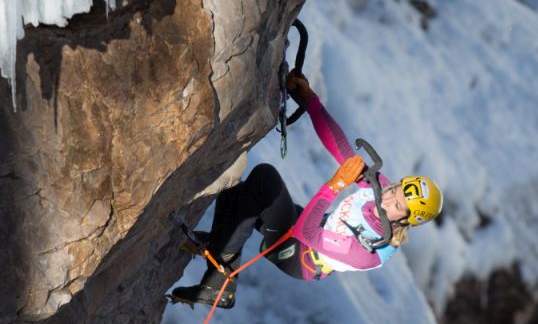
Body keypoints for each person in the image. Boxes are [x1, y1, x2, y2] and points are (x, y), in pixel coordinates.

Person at [170, 71, 443, 308]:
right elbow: (343, 150)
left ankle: (220, 282)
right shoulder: (383, 191)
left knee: (266, 178)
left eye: (397, 205)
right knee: (237, 190)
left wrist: (335, 185)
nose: (389, 197)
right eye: (396, 189)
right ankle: (219, 247)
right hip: (307, 227)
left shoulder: (367, 253)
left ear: (405, 220)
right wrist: (310, 101)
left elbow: (306, 233)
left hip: (299, 254)